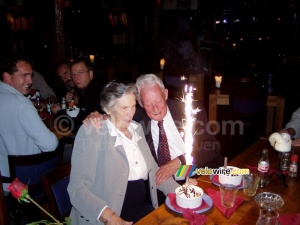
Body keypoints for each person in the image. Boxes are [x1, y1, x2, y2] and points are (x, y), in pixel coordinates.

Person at [84, 74, 222, 204]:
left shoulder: (190, 109)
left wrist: (180, 161)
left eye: (158, 101)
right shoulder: (135, 119)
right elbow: (113, 114)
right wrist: (96, 116)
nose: (155, 109)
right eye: (149, 104)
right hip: (164, 185)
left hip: (198, 175)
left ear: (166, 94)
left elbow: (212, 146)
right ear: (140, 103)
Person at [67, 81, 180, 225]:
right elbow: (77, 189)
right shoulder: (92, 132)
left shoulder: (136, 129)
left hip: (141, 209)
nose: (130, 113)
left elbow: (155, 170)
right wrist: (109, 217)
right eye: (124, 108)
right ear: (107, 109)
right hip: (109, 215)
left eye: (133, 106)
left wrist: (181, 193)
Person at [0, 53, 58, 179]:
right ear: (7, 77)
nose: (30, 81)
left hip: (4, 181)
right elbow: (50, 145)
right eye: (24, 75)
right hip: (27, 182)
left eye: (31, 75)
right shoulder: (21, 103)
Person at [51, 57, 105, 134]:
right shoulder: (92, 87)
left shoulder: (95, 92)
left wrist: (59, 112)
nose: (76, 78)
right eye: (73, 74)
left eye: (80, 73)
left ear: (90, 73)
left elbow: (78, 128)